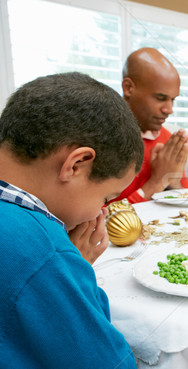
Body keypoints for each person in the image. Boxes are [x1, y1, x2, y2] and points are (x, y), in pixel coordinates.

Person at [0, 72, 144, 367]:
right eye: (105, 197)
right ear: (76, 165)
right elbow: (109, 361)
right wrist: (72, 268)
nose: (101, 212)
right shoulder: (43, 252)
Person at [112, 47, 188, 203]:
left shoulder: (167, 139)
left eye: (173, 99)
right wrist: (157, 183)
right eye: (160, 98)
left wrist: (172, 180)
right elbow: (99, 220)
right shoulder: (100, 138)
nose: (169, 110)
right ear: (128, 88)